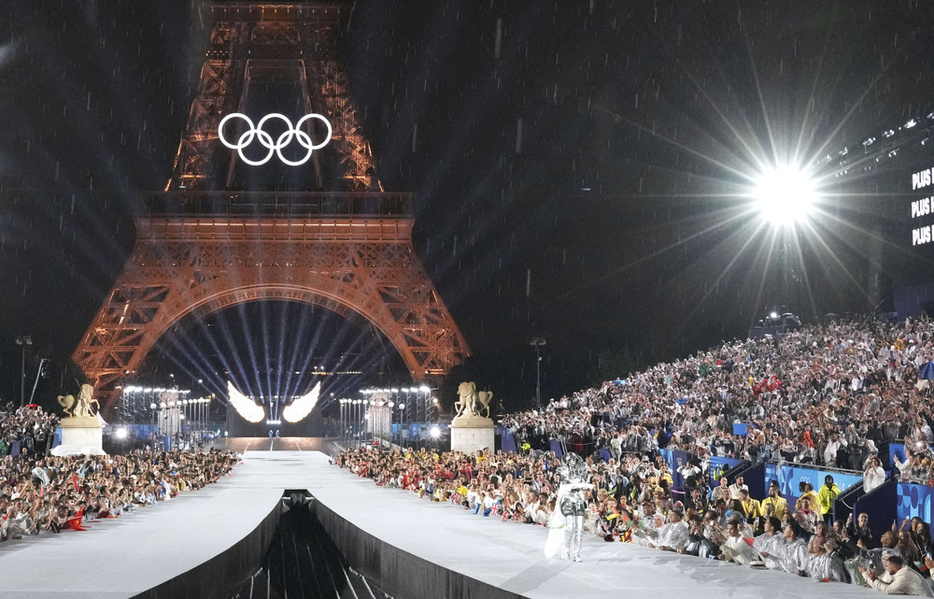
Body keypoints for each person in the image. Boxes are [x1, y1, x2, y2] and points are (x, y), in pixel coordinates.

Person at [861, 554, 934, 596]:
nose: (886, 568)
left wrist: (874, 579)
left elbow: (888, 590)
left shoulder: (904, 575)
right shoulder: (900, 571)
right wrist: (876, 579)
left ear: (894, 567)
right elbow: (889, 585)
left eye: (887, 566)